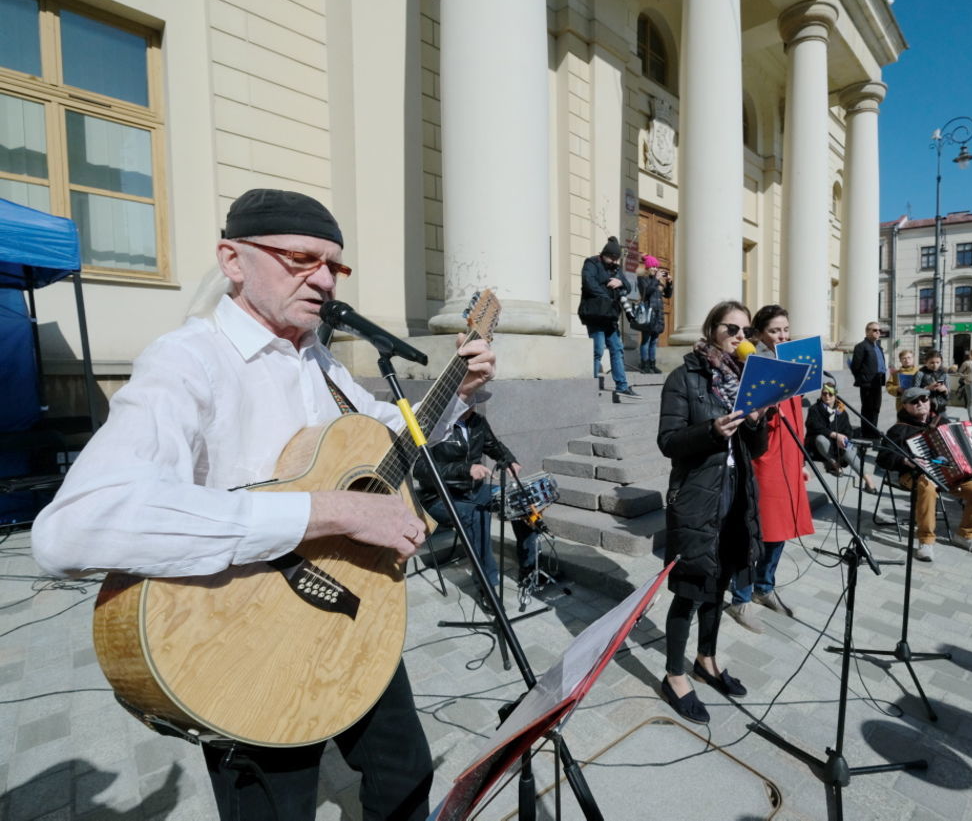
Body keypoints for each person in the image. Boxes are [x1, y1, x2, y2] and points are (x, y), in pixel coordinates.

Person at [30, 188, 497, 820]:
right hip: (243, 642)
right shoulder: (187, 361)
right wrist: (333, 512)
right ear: (233, 259)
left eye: (334, 266)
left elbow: (391, 433)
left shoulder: (322, 365)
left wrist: (460, 391)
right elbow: (73, 529)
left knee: (405, 770)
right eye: (302, 258)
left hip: (353, 613)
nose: (325, 280)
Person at [657, 300, 768, 724]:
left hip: (736, 496)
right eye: (731, 329)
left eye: (745, 331)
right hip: (696, 499)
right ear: (710, 329)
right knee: (689, 589)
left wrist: (757, 420)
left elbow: (756, 451)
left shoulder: (746, 382)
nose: (740, 337)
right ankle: (674, 675)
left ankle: (706, 660)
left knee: (718, 584)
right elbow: (668, 441)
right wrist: (710, 431)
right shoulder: (684, 377)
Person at [726, 305, 812, 633]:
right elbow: (746, 412)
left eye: (786, 330)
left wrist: (801, 460)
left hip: (790, 455)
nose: (782, 336)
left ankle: (765, 586)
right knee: (758, 530)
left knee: (784, 527)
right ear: (760, 332)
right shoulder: (751, 362)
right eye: (775, 331)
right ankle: (741, 598)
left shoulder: (791, 361)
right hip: (765, 458)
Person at [414, 407, 540, 594]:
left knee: (520, 501)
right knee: (478, 515)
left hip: (475, 491)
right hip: (440, 497)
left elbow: (494, 446)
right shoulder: (434, 426)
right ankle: (487, 587)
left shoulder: (477, 421)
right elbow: (420, 469)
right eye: (466, 402)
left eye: (473, 401)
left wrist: (510, 461)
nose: (471, 407)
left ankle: (529, 571)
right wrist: (466, 469)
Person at [876, 387, 972, 560]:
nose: (920, 403)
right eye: (914, 401)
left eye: (924, 399)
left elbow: (965, 448)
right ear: (905, 406)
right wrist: (905, 461)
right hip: (912, 475)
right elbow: (882, 458)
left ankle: (965, 535)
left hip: (950, 476)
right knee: (927, 486)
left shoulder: (942, 422)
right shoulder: (899, 430)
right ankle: (926, 540)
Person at [578, 236, 639, 398]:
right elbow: (589, 284)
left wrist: (620, 283)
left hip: (610, 316)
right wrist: (607, 293)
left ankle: (622, 386)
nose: (613, 261)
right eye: (611, 257)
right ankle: (590, 386)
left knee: (617, 350)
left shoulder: (616, 269)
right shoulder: (591, 263)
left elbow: (627, 285)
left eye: (616, 259)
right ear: (604, 254)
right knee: (597, 350)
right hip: (595, 314)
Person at [806, 376, 878, 492]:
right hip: (818, 446)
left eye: (830, 394)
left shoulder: (841, 412)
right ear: (821, 395)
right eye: (824, 394)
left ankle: (868, 480)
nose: (827, 396)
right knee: (821, 439)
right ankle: (834, 464)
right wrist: (835, 435)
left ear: (835, 395)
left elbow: (848, 430)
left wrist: (844, 439)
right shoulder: (814, 409)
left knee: (848, 448)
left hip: (836, 445)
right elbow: (814, 427)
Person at [850, 321, 887, 439]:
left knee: (876, 408)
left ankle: (873, 430)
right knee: (867, 409)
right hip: (867, 383)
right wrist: (862, 378)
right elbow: (855, 366)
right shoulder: (861, 346)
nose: (878, 332)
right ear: (867, 332)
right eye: (874, 330)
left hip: (878, 381)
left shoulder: (878, 347)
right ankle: (866, 433)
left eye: (879, 330)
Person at [636, 255, 672, 374]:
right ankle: (644, 364)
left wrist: (669, 283)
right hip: (648, 312)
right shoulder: (642, 279)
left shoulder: (657, 281)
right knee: (646, 339)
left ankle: (652, 364)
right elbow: (646, 293)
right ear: (647, 267)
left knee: (654, 340)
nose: (655, 269)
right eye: (653, 267)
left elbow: (667, 295)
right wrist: (656, 280)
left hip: (658, 313)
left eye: (656, 267)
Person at [913, 349, 950, 415]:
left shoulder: (944, 374)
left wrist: (945, 390)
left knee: (944, 424)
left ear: (941, 362)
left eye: (937, 362)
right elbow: (914, 393)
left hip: (941, 409)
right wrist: (927, 388)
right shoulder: (920, 373)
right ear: (926, 362)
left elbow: (948, 397)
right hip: (925, 408)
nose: (935, 365)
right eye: (932, 362)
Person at [957, 348, 972, 421]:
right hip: (969, 383)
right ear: (971, 354)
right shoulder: (967, 363)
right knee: (971, 401)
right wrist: (965, 377)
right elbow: (959, 372)